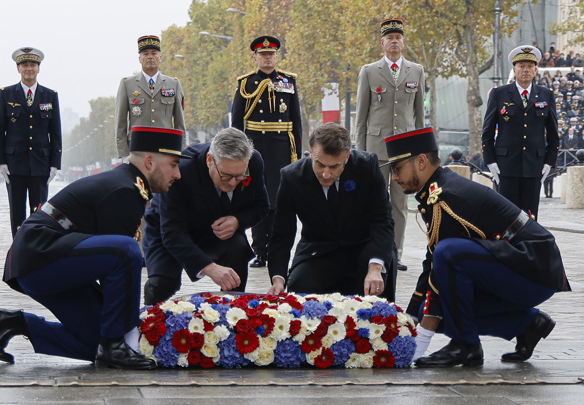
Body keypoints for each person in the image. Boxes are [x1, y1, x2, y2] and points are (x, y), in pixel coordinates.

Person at [0, 126, 184, 369]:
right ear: (150, 162)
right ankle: (114, 346)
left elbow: (107, 269)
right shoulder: (125, 190)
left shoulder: (129, 184)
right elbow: (117, 265)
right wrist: (129, 325)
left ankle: (12, 323)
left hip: (52, 261)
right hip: (41, 257)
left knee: (96, 346)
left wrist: (119, 326)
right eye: (173, 164)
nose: (178, 174)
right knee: (127, 250)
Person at [382, 127, 568, 367]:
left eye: (397, 169)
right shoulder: (437, 189)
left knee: (449, 254)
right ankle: (528, 324)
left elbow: (443, 260)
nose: (394, 177)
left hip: (534, 267)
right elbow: (432, 266)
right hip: (513, 263)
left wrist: (419, 343)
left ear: (420, 161)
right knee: (440, 308)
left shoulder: (446, 196)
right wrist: (410, 321)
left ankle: (465, 345)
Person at [141, 127, 269, 304]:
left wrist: (238, 220)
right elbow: (171, 231)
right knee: (160, 286)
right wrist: (209, 267)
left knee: (237, 250)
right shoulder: (182, 171)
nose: (233, 183)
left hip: (216, 231)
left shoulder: (254, 162)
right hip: (169, 229)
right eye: (226, 176)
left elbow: (262, 207)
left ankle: (233, 311)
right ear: (210, 160)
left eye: (239, 176)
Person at [266, 122, 394, 298]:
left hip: (364, 246)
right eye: (319, 164)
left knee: (374, 289)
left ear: (347, 157)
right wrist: (278, 278)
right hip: (319, 249)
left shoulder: (367, 167)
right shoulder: (291, 177)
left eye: (334, 167)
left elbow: (382, 220)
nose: (326, 174)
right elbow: (282, 234)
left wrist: (375, 267)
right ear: (310, 152)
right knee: (299, 287)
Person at [354, 17, 424, 271]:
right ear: (382, 43)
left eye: (398, 38)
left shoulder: (416, 71)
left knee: (400, 204)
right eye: (390, 38)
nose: (394, 42)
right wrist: (360, 153)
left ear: (403, 42)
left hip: (404, 149)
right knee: (371, 201)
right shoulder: (369, 71)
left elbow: (419, 117)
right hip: (376, 149)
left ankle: (395, 253)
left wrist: (420, 151)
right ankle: (372, 251)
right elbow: (361, 116)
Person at [231, 36, 302, 269]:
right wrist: (238, 154)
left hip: (282, 147)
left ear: (276, 57)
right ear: (255, 58)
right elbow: (237, 124)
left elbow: (296, 120)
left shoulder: (288, 81)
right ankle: (260, 250)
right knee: (258, 197)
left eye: (271, 54)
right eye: (263, 55)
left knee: (280, 201)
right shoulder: (245, 84)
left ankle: (279, 248)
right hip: (256, 148)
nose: (267, 58)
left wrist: (297, 155)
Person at [480, 45, 559, 216]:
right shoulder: (499, 94)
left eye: (530, 66)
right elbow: (487, 131)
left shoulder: (546, 95)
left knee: (530, 217)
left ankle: (528, 245)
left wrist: (549, 162)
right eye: (521, 66)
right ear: (514, 69)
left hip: (534, 166)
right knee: (506, 217)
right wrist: (490, 161)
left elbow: (553, 133)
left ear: (536, 69)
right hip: (506, 166)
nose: (526, 70)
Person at [0, 47, 62, 237]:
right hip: (14, 164)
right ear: (18, 68)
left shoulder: (50, 96)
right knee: (16, 212)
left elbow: (55, 133)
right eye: (24, 65)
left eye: (32, 65)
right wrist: (0, 161)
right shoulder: (6, 94)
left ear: (39, 68)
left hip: (40, 164)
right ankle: (18, 248)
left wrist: (55, 164)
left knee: (39, 212)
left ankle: (36, 247)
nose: (29, 69)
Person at [114, 35, 185, 160]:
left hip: (166, 150)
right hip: (137, 151)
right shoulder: (127, 84)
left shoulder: (174, 84)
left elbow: (180, 123)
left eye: (154, 53)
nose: (150, 57)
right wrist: (124, 155)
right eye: (145, 54)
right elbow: (120, 124)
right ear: (140, 59)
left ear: (160, 58)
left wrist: (180, 151)